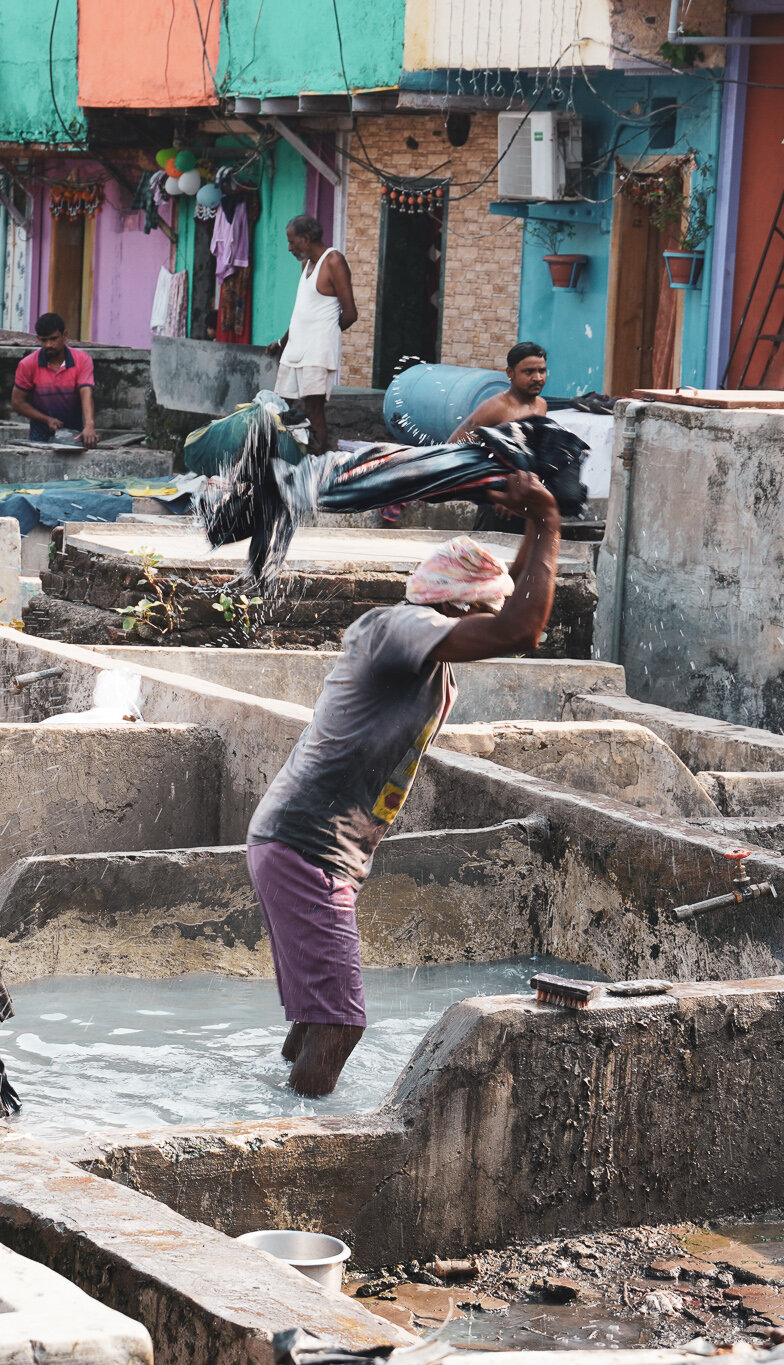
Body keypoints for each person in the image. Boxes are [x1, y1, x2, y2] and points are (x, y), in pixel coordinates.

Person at [246, 475, 561, 1097]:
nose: (493, 621)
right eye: (484, 609)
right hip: (306, 845)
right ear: (459, 607)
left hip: (307, 846)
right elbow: (520, 629)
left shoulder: (420, 643)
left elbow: (512, 609)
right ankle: (303, 1139)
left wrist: (531, 521)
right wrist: (550, 523)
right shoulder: (400, 628)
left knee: (317, 1015)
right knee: (341, 1023)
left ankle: (274, 1102)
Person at [266, 214, 358, 456]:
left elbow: (350, 314)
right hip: (295, 348)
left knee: (314, 409)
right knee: (280, 405)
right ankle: (285, 458)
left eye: (292, 241)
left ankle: (318, 464)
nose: (289, 248)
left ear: (306, 239)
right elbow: (302, 314)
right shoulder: (305, 264)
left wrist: (325, 333)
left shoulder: (334, 261)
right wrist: (281, 342)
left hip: (318, 350)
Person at [10, 313, 98, 446]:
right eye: (44, 340)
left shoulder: (82, 360)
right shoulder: (27, 364)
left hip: (75, 435)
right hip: (39, 437)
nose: (48, 345)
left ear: (65, 335)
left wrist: (89, 425)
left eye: (53, 339)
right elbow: (17, 402)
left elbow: (86, 392)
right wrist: (47, 420)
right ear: (38, 339)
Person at [450, 342, 550, 443]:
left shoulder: (541, 405)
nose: (538, 378)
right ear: (510, 373)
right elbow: (454, 445)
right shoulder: (495, 408)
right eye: (529, 372)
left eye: (542, 371)